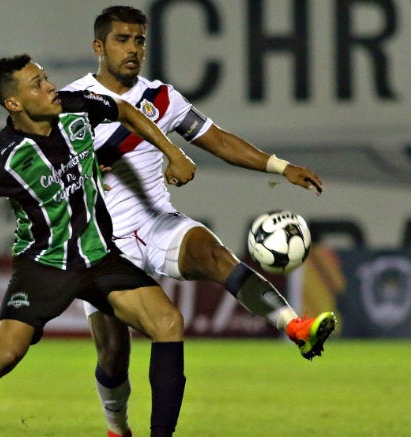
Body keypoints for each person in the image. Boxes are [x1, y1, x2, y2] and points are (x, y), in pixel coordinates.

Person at [0, 54, 197, 437]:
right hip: (44, 266)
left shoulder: (76, 106)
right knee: (4, 356)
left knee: (168, 323)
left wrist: (172, 152)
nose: (49, 87)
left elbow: (125, 110)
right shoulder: (2, 157)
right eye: (36, 84)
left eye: (45, 77)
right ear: (14, 104)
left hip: (99, 257)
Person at [62, 6, 337, 437]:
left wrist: (280, 167)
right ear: (99, 47)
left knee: (213, 253)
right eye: (122, 40)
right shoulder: (70, 104)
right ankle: (118, 428)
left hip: (157, 224)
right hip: (103, 245)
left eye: (139, 40)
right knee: (113, 355)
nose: (133, 49)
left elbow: (219, 139)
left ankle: (295, 327)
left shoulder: (162, 99)